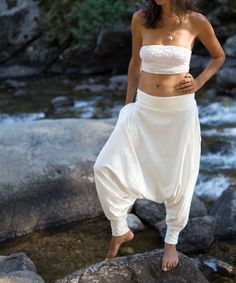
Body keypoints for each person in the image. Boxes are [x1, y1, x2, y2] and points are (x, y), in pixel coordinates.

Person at [93, 0, 225, 272]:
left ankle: (171, 242)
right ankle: (120, 229)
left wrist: (198, 82)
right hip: (143, 107)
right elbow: (134, 64)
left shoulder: (195, 20)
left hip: (179, 111)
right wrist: (127, 106)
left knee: (178, 174)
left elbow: (218, 56)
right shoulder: (140, 18)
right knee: (104, 166)